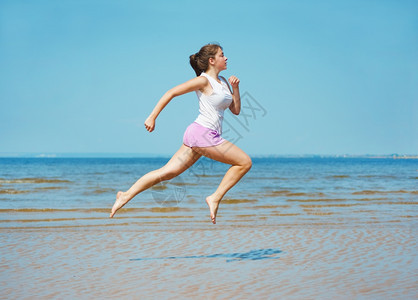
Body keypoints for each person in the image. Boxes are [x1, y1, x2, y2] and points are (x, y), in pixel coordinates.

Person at [110, 43, 252, 224]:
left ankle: (125, 195)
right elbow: (171, 92)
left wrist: (236, 89)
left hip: (202, 136)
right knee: (244, 162)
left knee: (167, 173)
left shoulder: (223, 82)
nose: (226, 58)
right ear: (212, 60)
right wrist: (152, 117)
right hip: (202, 134)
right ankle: (215, 197)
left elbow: (236, 110)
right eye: (222, 55)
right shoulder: (203, 81)